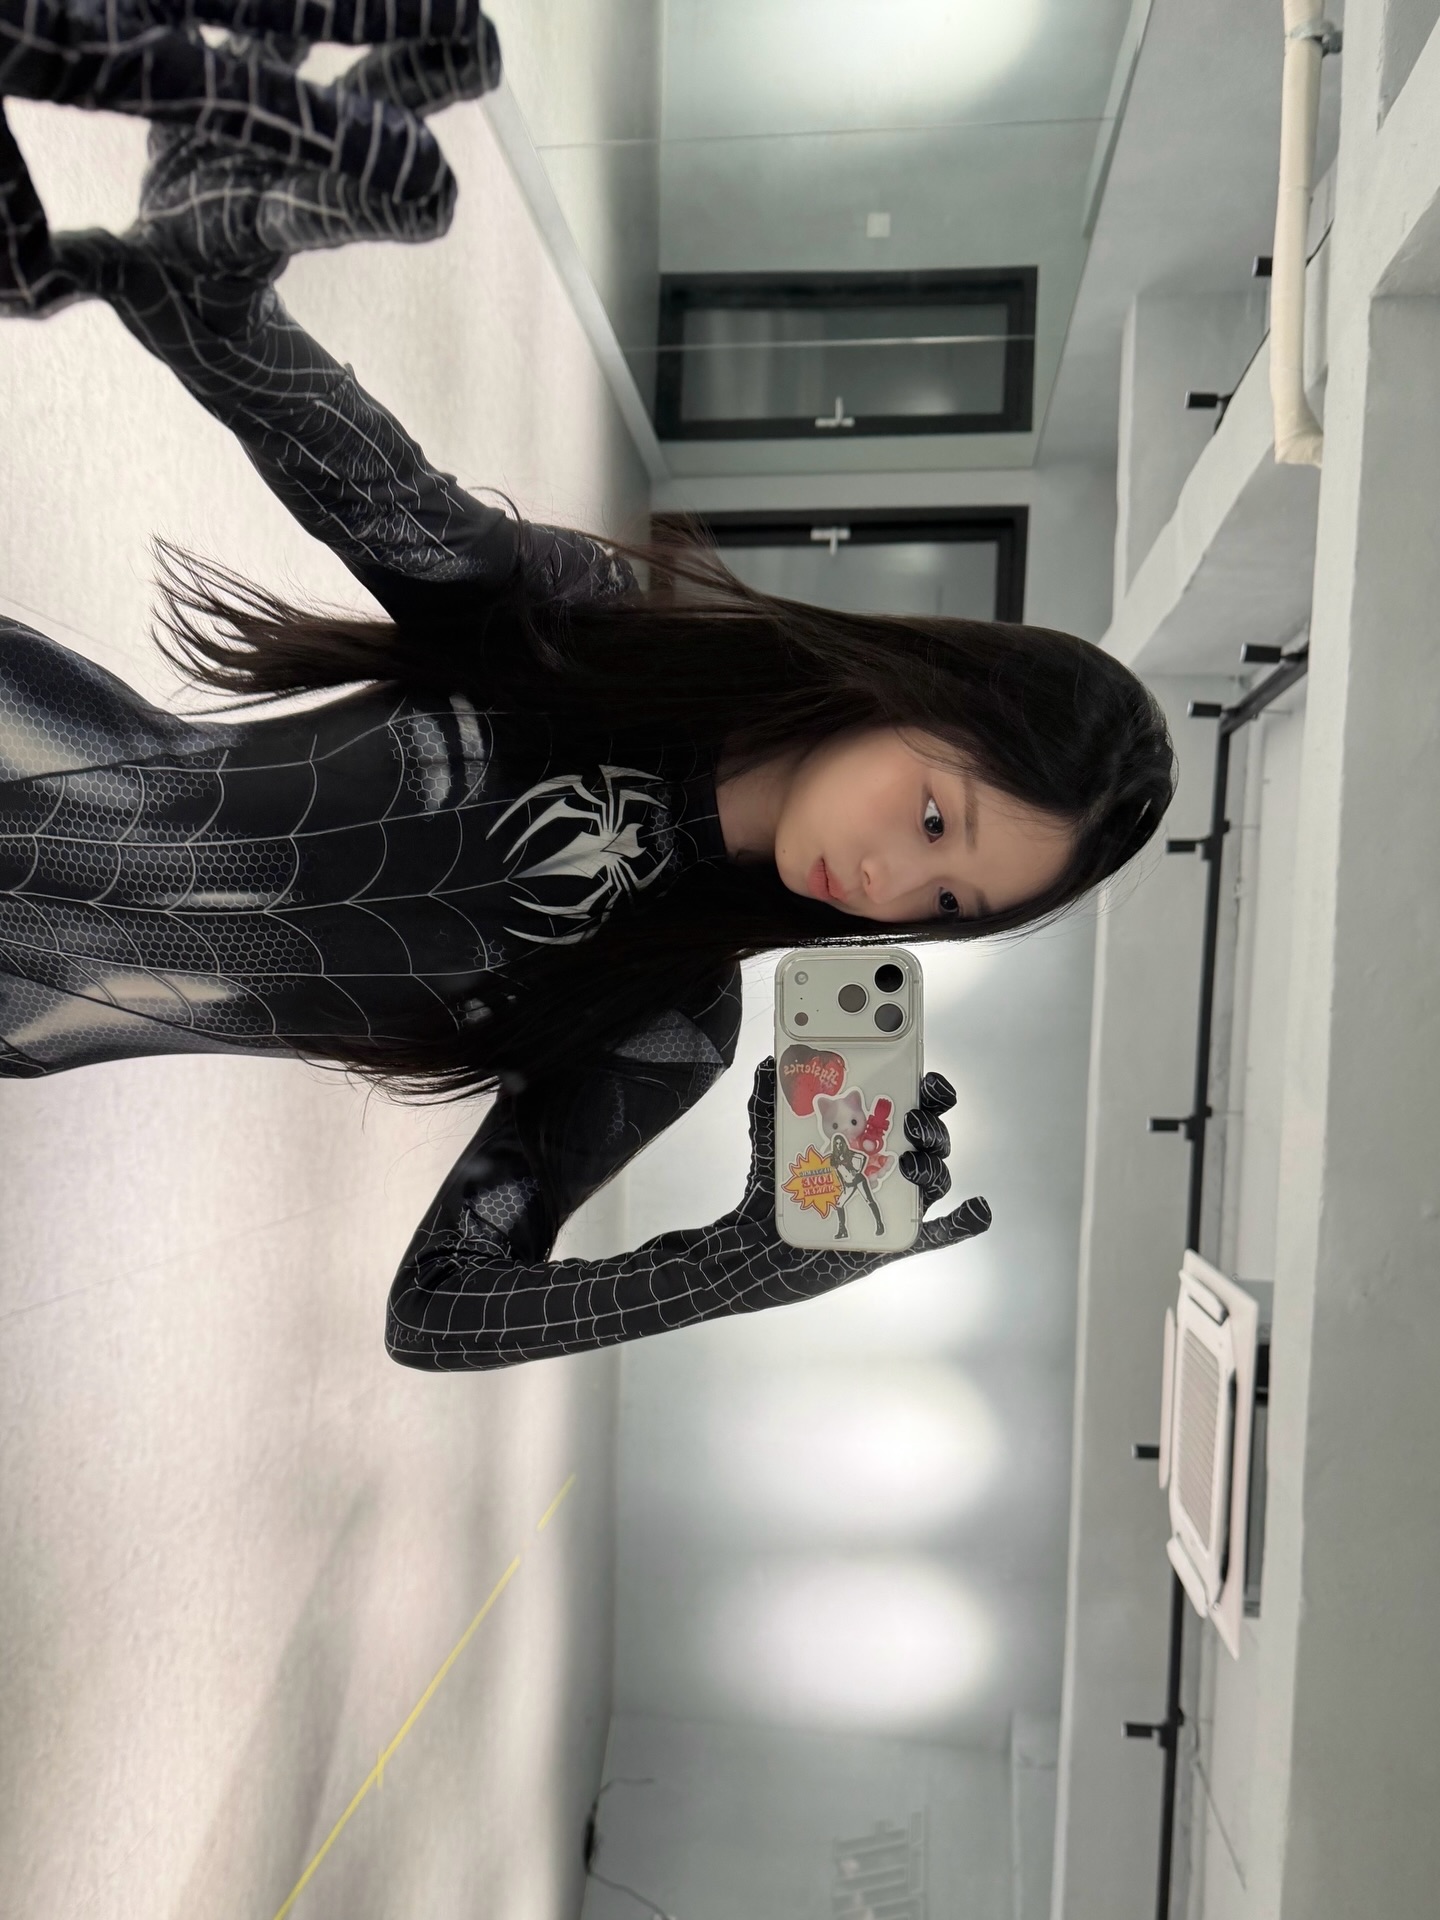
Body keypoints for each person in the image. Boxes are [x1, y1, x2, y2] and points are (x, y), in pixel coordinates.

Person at [0, 2, 1176, 1371]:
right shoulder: (601, 632)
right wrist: (221, 316)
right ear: (909, 689)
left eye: (951, 901)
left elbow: (438, 1314)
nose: (891, 885)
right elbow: (379, 493)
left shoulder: (670, 1021)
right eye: (932, 819)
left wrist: (736, 1268)